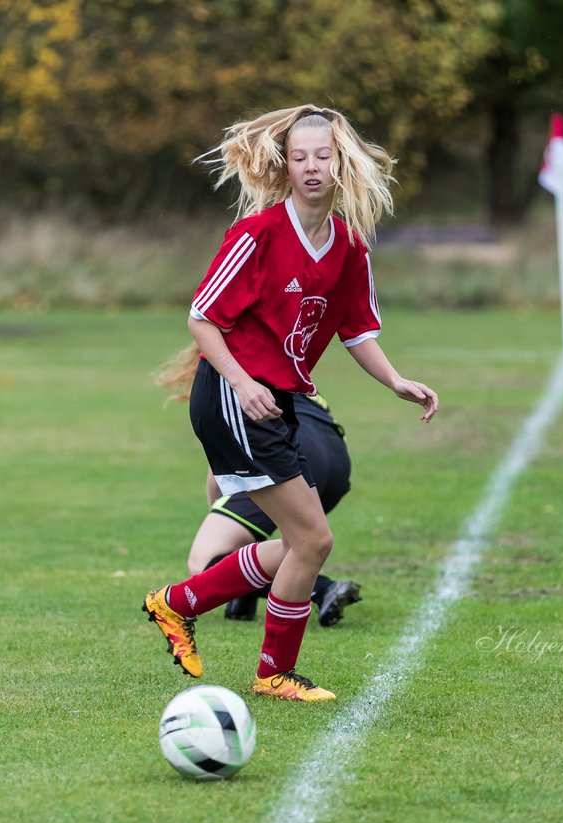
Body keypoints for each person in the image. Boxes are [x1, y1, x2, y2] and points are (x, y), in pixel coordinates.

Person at [142, 104, 438, 702]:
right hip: (233, 395)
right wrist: (243, 381)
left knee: (305, 542)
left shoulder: (350, 245)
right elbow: (202, 320)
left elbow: (357, 331)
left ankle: (177, 605)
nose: (310, 167)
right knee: (313, 540)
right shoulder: (257, 235)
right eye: (298, 157)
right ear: (283, 166)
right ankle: (267, 669)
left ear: (341, 163)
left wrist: (396, 381)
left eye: (322, 156)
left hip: (276, 401)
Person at [158, 344, 363, 627]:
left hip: (286, 453)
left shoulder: (233, 381)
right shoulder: (282, 369)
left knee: (205, 558)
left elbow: (224, 464)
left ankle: (323, 589)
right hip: (336, 461)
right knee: (301, 540)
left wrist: (217, 511)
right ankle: (247, 601)